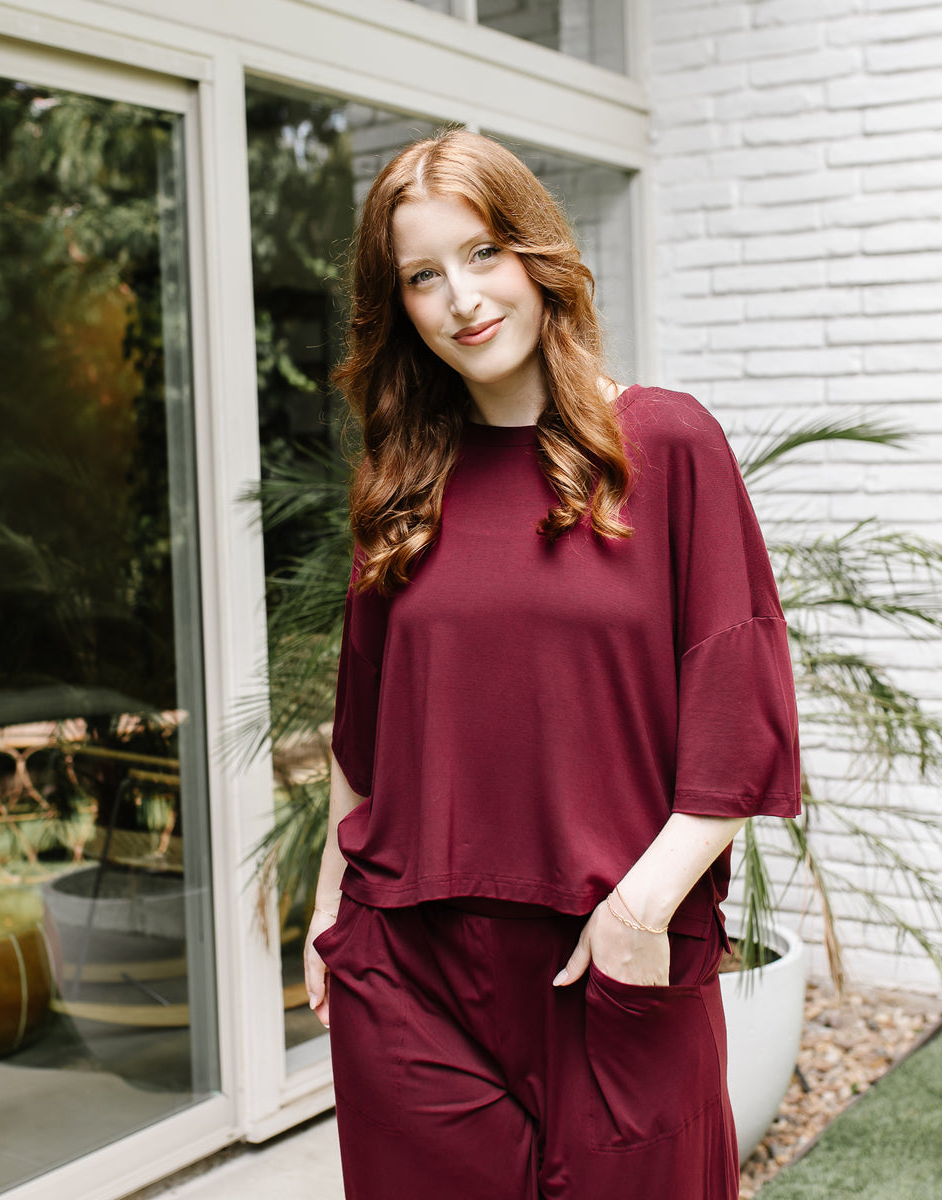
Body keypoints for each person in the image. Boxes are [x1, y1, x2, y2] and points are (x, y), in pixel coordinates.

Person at [302, 128, 800, 1200]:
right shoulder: (400, 488)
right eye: (422, 277)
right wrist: (327, 915)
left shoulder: (662, 447)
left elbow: (737, 718)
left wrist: (639, 912)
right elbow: (364, 733)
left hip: (611, 957)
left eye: (482, 255)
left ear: (537, 255)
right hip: (411, 972)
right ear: (399, 308)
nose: (462, 300)